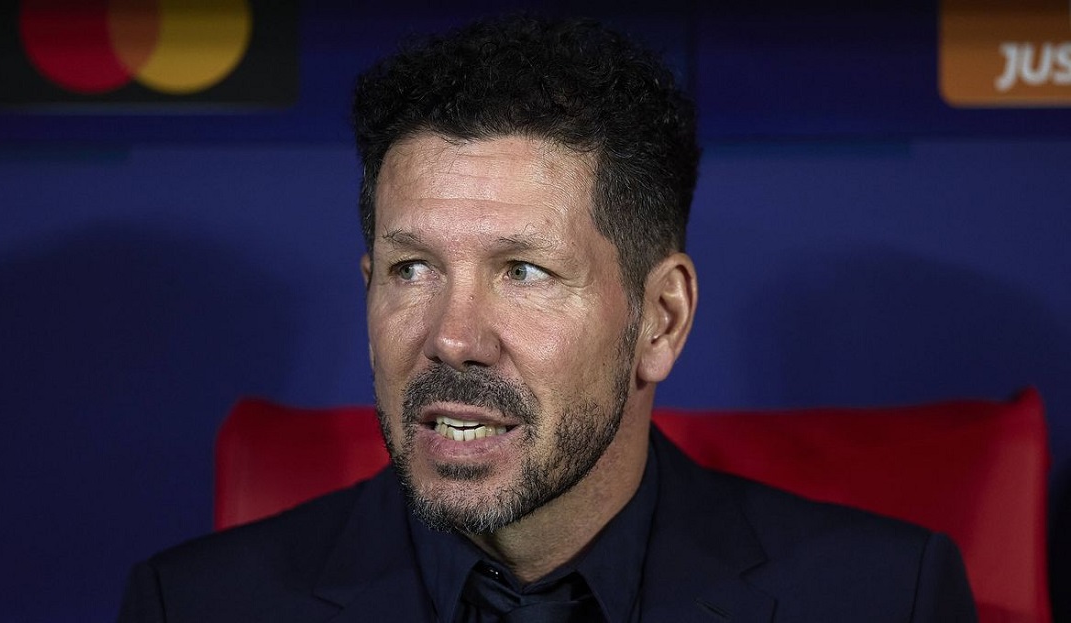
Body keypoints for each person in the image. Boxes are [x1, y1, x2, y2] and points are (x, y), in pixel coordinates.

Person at [117, 14, 977, 622]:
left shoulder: (882, 597)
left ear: (661, 320)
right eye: (413, 269)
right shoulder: (191, 606)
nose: (453, 337)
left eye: (523, 272)